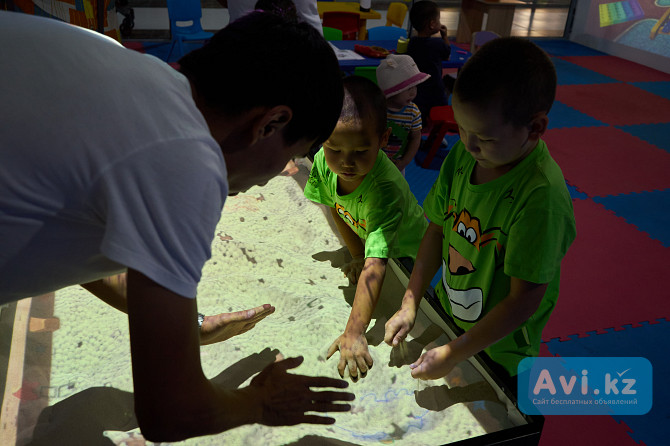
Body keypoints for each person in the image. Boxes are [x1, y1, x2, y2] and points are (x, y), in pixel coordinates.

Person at [0, 10, 354, 442]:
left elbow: (63, 223)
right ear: (271, 123)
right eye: (294, 154)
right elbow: (172, 414)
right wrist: (260, 402)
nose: (279, 171)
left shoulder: (125, 65)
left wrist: (191, 325)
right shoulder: (186, 159)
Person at [384, 37, 577, 386]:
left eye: (485, 138)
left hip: (500, 351)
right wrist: (411, 301)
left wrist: (457, 352)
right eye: (461, 128)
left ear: (535, 127)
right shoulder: (464, 156)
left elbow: (523, 301)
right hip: (450, 312)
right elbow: (437, 229)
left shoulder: (541, 198)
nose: (469, 145)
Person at [303, 76, 429, 381]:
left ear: (383, 140)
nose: (345, 162)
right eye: (334, 148)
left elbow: (377, 265)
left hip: (409, 256)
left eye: (360, 152)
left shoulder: (384, 189)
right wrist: (356, 254)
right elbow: (336, 206)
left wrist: (354, 332)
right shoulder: (322, 161)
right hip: (373, 243)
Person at [376, 54, 429, 174]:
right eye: (408, 88)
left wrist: (404, 162)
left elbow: (415, 138)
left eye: (415, 86)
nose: (413, 93)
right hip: (374, 162)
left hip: (397, 165)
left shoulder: (413, 112)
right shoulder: (377, 110)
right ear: (392, 91)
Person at [407, 0, 452, 125]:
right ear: (432, 24)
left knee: (420, 114)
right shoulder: (437, 43)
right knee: (440, 112)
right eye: (438, 20)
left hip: (417, 87)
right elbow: (447, 54)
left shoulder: (412, 42)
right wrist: (445, 36)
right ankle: (438, 133)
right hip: (435, 87)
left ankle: (419, 133)